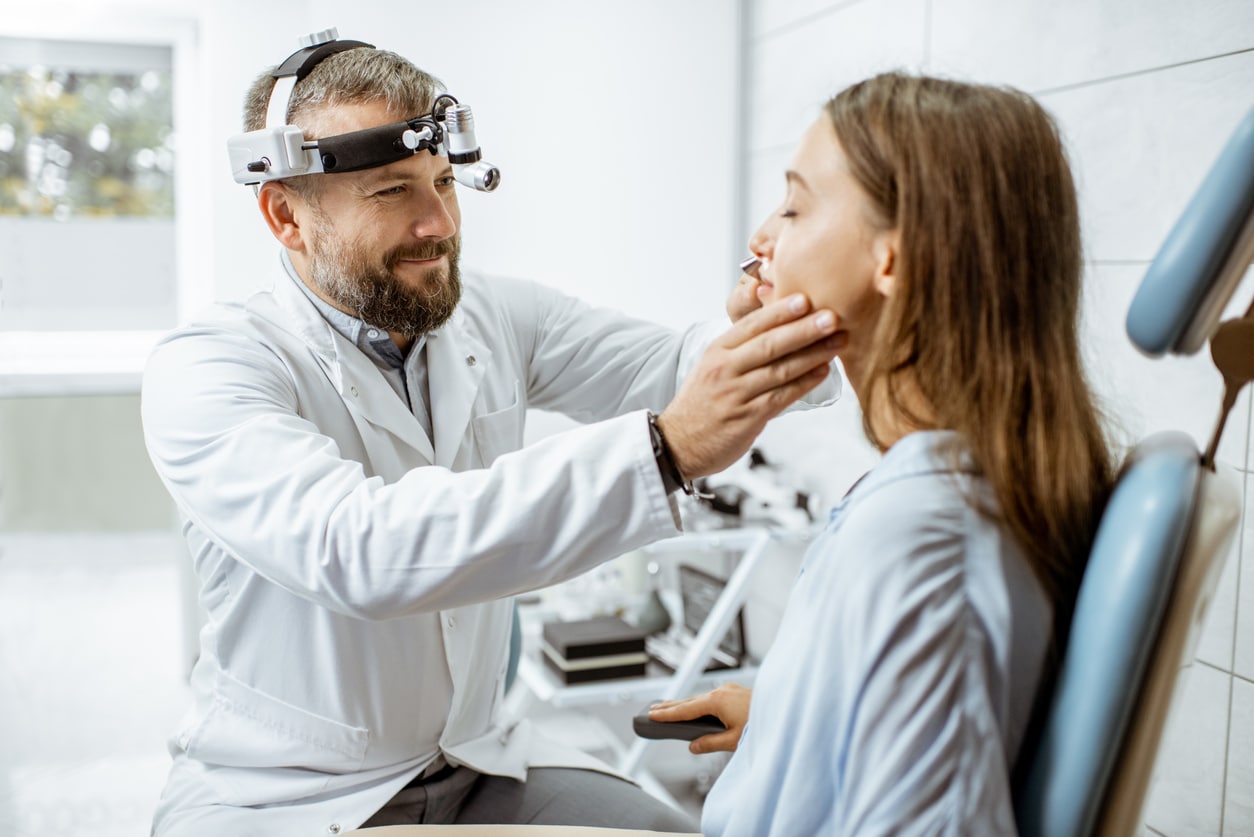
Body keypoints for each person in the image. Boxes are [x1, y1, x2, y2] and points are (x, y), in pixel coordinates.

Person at [140, 35, 844, 837]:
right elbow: (358, 548)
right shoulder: (211, 369)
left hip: (477, 761)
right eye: (390, 192)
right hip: (289, 797)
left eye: (445, 182)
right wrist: (664, 451)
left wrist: (787, 320)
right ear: (284, 214)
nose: (438, 222)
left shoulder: (494, 318)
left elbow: (677, 367)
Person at [647, 72, 1115, 835]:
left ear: (893, 260)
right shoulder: (940, 487)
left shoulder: (927, 537)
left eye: (794, 206)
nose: (762, 240)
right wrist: (782, 715)